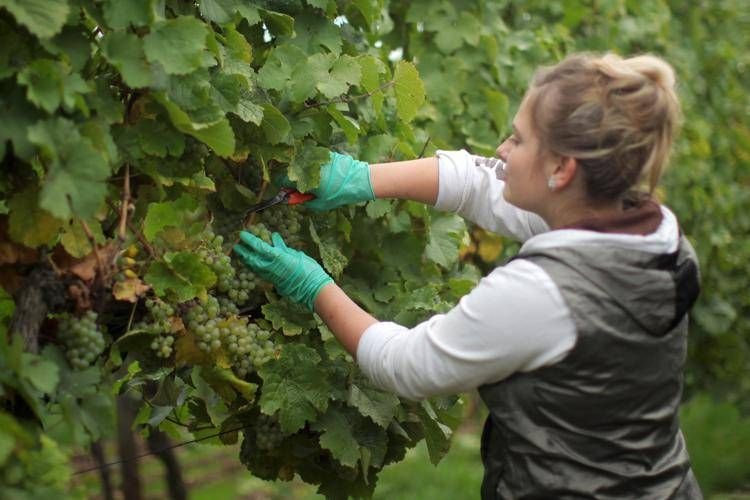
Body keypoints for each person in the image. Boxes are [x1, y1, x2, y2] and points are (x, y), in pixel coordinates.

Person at [233, 52, 703, 499]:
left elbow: (405, 365)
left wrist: (311, 284)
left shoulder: (540, 295)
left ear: (562, 168)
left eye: (518, 139)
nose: (502, 148)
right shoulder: (654, 235)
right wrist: (362, 179)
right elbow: (482, 182)